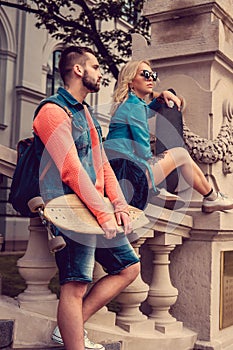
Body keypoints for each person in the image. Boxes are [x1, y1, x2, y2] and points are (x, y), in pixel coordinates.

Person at [33, 46, 140, 350]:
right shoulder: (52, 111)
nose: (100, 71)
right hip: (67, 209)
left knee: (129, 268)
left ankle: (70, 329)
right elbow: (70, 168)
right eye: (94, 66)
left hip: (93, 208)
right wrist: (104, 214)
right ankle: (74, 342)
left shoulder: (84, 113)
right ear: (78, 70)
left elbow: (101, 162)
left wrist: (118, 204)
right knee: (77, 283)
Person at [104, 59, 233, 213]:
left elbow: (146, 110)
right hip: (128, 175)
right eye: (145, 74)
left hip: (120, 174)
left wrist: (161, 97)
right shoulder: (134, 107)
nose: (150, 78)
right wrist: (162, 168)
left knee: (178, 155)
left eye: (152, 74)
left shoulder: (131, 104)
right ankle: (211, 197)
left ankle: (211, 197)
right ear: (131, 81)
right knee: (180, 154)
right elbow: (144, 152)